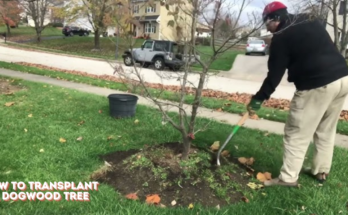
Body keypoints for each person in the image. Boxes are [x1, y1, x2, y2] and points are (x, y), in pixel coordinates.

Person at [246, 1, 348, 187]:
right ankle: (320, 170)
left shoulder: (282, 36)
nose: (267, 28)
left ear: (274, 18)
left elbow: (274, 75)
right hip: (342, 78)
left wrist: (259, 98)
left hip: (317, 84)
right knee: (326, 129)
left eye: (266, 23)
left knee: (296, 133)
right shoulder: (309, 19)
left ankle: (288, 179)